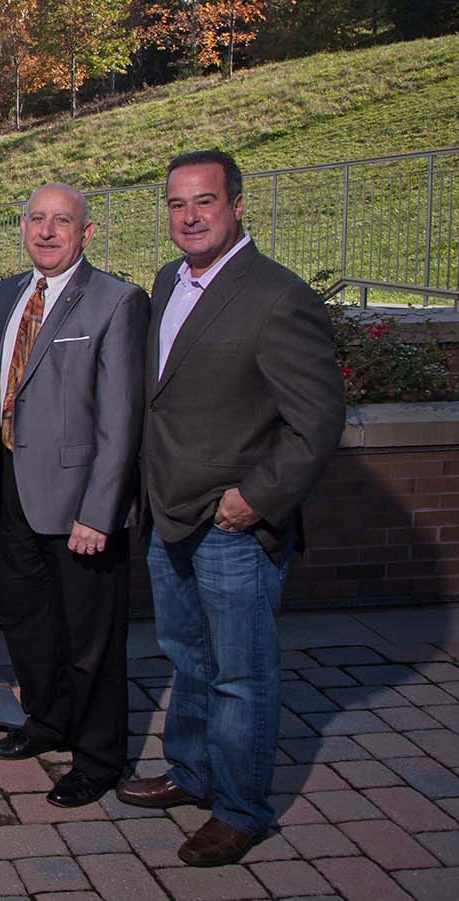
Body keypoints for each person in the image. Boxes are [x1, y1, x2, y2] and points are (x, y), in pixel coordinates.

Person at [117, 150, 344, 866]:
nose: (189, 216)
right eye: (177, 203)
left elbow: (317, 421)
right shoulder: (168, 280)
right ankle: (191, 771)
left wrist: (256, 498)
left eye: (205, 201)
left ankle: (241, 808)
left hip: (232, 522)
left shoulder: (278, 295)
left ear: (238, 204)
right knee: (188, 656)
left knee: (242, 673)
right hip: (169, 512)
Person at [0, 183, 148, 808]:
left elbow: (122, 418)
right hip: (11, 490)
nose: (47, 231)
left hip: (80, 502)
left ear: (87, 232)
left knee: (92, 637)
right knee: (29, 624)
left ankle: (100, 756)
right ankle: (48, 721)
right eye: (36, 219)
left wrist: (99, 511)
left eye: (62, 221)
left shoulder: (116, 301)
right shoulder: (3, 298)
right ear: (22, 226)